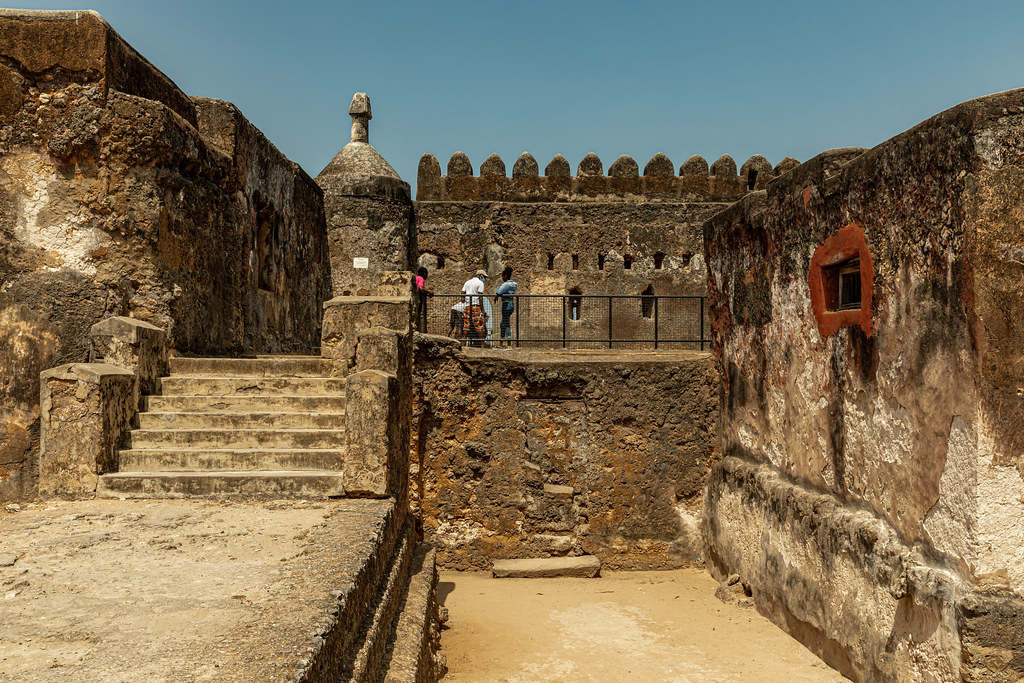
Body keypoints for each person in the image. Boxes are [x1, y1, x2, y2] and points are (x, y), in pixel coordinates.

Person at [461, 269, 487, 346]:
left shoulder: (467, 282)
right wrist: (482, 310)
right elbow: (480, 296)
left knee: (466, 325)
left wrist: (463, 300)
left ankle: (463, 344)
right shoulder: (480, 283)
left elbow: (462, 292)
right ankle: (482, 345)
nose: (484, 279)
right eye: (484, 277)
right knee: (479, 325)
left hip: (467, 306)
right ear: (481, 275)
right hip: (476, 306)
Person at [493, 266, 517, 348]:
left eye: (502, 276)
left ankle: (509, 344)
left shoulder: (506, 285)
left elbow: (499, 292)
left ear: (505, 276)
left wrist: (496, 296)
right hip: (511, 304)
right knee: (502, 323)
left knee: (506, 324)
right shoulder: (514, 284)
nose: (502, 278)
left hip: (506, 305)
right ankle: (501, 343)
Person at [415, 266, 434, 332]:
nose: (427, 276)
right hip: (418, 299)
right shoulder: (421, 278)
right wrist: (430, 291)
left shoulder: (415, 277)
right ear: (424, 274)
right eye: (427, 274)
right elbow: (421, 288)